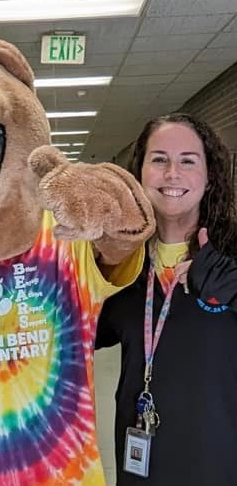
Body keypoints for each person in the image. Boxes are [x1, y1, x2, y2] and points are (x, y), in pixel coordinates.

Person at [96, 113, 237, 486]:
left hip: (219, 464)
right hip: (142, 460)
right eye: (159, 160)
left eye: (188, 161)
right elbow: (79, 330)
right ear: (140, 174)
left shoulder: (231, 253)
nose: (172, 173)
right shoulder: (123, 259)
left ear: (210, 178)